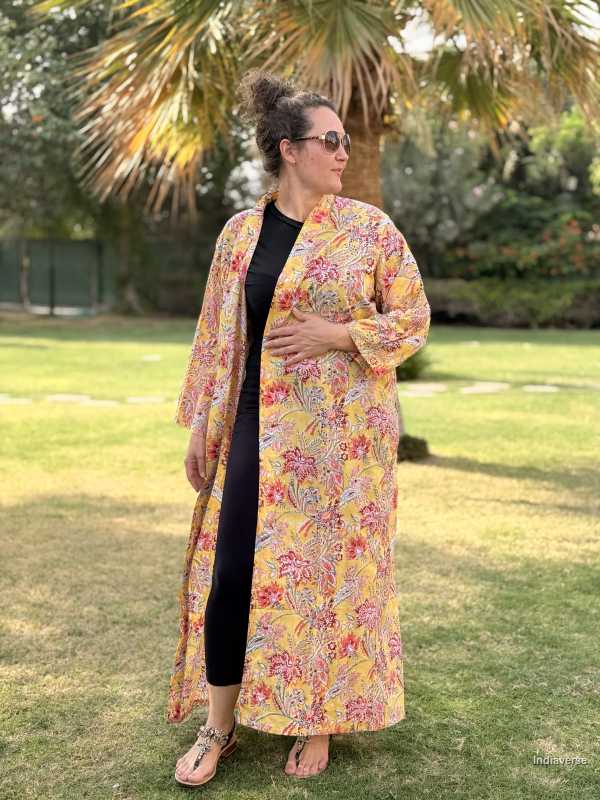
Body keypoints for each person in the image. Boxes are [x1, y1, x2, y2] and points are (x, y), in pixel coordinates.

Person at [171, 69, 431, 786]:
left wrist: (338, 334)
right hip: (257, 426)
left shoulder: (369, 229)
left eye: (345, 141)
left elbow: (413, 319)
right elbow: (216, 336)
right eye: (331, 140)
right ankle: (218, 726)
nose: (344, 152)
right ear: (290, 150)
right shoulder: (240, 235)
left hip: (344, 442)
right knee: (233, 575)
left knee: (330, 576)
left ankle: (317, 720)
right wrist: (201, 424)